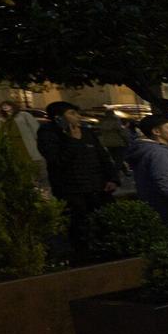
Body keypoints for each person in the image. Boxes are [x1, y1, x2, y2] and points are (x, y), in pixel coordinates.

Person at [39, 101, 118, 258]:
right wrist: (72, 141)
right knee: (79, 223)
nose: (77, 117)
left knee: (106, 221)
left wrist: (112, 178)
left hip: (97, 186)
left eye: (77, 113)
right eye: (71, 113)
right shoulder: (48, 135)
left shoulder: (87, 133)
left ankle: (108, 249)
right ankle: (83, 253)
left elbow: (102, 157)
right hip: (71, 189)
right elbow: (57, 162)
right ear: (58, 118)